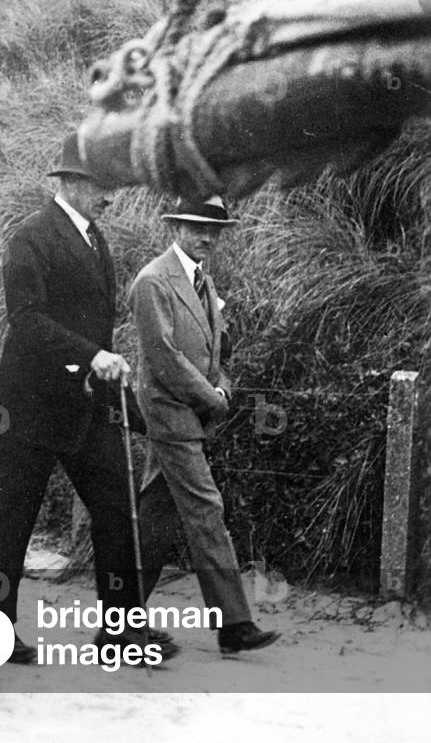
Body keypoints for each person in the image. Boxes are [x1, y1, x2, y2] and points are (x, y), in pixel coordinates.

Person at [0, 131, 175, 664]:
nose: (109, 196)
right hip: (31, 407)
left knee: (116, 514)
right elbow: (26, 321)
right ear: (68, 183)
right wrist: (90, 356)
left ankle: (120, 633)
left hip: (91, 406)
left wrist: (101, 372)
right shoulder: (31, 237)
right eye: (99, 186)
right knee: (11, 522)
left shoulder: (96, 239)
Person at [129, 195, 280, 654]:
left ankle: (119, 615)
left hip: (189, 413)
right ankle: (234, 623)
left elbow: (218, 352)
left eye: (214, 229)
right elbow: (164, 358)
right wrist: (212, 399)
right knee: (207, 510)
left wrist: (225, 390)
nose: (206, 237)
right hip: (170, 412)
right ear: (175, 227)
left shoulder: (204, 282)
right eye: (196, 227)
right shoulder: (154, 281)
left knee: (156, 516)